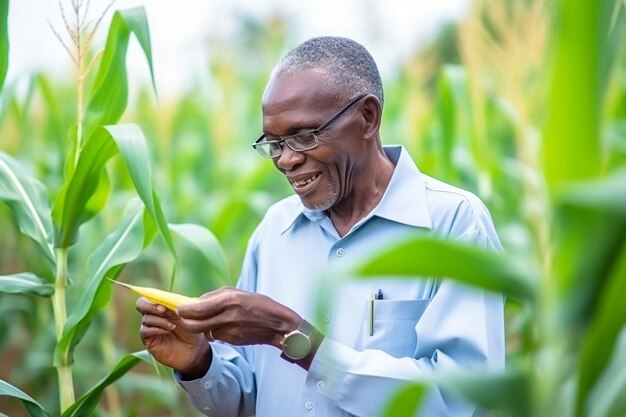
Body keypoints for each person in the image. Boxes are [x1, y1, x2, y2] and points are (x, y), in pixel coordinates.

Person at [136, 36, 504, 417]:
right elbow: (253, 401)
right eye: (274, 143)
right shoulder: (274, 230)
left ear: (368, 117)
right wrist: (199, 362)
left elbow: (459, 400)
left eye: (305, 136)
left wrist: (292, 337)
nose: (287, 160)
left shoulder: (453, 225)